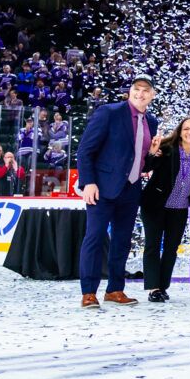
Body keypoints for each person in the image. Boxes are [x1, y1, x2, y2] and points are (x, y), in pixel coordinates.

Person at [76, 74, 159, 308]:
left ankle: (114, 289)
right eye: (136, 89)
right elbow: (85, 150)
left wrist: (152, 154)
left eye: (146, 90)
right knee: (94, 237)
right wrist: (88, 182)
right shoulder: (109, 112)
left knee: (122, 241)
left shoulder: (150, 122)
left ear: (152, 95)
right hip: (101, 188)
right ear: (130, 92)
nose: (140, 93)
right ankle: (89, 292)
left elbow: (143, 163)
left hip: (131, 189)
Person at [140, 117, 190, 302]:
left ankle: (162, 286)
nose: (189, 132)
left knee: (171, 249)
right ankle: (153, 288)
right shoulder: (167, 149)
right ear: (180, 131)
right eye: (186, 129)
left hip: (179, 208)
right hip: (155, 204)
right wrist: (151, 153)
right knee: (152, 245)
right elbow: (146, 167)